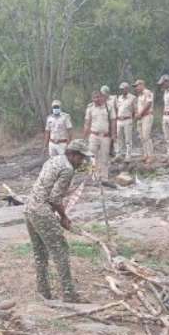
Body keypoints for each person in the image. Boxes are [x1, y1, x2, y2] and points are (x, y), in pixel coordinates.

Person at [25, 139, 91, 302]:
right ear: (73, 155)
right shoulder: (68, 169)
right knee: (60, 251)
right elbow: (55, 198)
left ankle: (43, 292)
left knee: (40, 253)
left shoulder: (54, 160)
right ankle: (69, 294)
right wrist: (63, 217)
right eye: (81, 158)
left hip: (29, 208)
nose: (83, 161)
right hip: (42, 210)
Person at [83, 90, 116, 187]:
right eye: (94, 98)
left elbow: (113, 121)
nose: (96, 99)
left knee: (104, 157)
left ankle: (104, 178)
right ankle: (94, 178)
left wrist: (113, 134)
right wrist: (84, 137)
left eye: (98, 97)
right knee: (92, 157)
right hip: (93, 135)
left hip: (105, 136)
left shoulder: (108, 107)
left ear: (102, 97)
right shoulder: (90, 108)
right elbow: (87, 123)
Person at [134, 79, 155, 163]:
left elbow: (148, 104)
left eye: (137, 86)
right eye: (135, 87)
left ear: (142, 85)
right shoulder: (139, 96)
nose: (136, 88)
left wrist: (140, 113)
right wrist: (136, 114)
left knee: (146, 136)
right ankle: (145, 154)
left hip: (146, 116)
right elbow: (138, 107)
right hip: (140, 118)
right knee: (142, 137)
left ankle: (150, 155)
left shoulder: (147, 92)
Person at [115, 82, 137, 159]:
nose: (122, 90)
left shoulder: (132, 98)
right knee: (119, 138)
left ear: (127, 89)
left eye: (123, 89)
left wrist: (133, 120)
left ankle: (128, 154)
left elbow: (135, 110)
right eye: (121, 89)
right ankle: (119, 154)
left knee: (128, 138)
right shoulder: (119, 98)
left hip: (128, 119)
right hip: (119, 120)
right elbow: (118, 109)